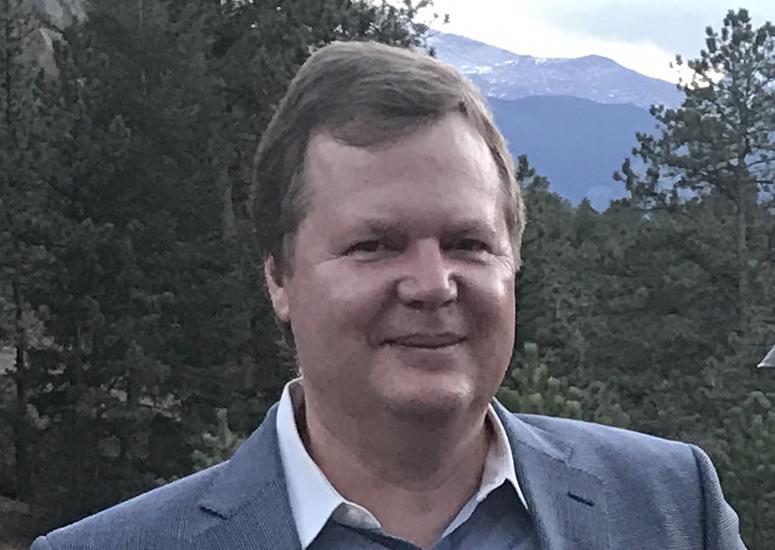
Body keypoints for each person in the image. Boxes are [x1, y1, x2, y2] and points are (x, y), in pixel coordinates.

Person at [32, 41, 745, 550]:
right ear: (279, 277)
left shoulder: (669, 508)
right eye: (375, 244)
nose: (432, 284)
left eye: (468, 243)